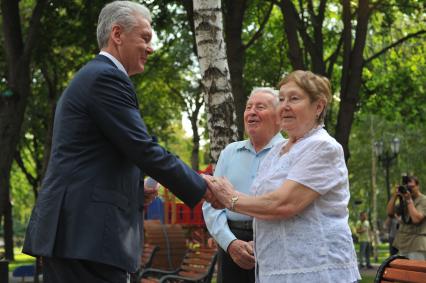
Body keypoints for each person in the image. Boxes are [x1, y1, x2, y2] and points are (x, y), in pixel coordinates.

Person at [22, 2, 218, 283]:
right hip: (85, 237)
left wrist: (137, 189)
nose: (150, 48)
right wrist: (205, 188)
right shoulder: (106, 78)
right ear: (117, 34)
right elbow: (143, 148)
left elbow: (101, 157)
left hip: (79, 235)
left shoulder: (95, 76)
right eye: (145, 38)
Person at [205, 70, 361, 282]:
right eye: (281, 99)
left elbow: (284, 204)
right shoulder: (278, 152)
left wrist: (230, 198)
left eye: (294, 98)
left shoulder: (323, 147)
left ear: (318, 106)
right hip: (275, 268)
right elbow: (262, 203)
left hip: (314, 269)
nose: (284, 106)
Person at [202, 87, 283, 283]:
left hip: (276, 244)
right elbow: (211, 205)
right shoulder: (229, 152)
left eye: (260, 107)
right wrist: (230, 243)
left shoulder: (289, 153)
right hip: (231, 242)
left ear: (278, 117)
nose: (252, 112)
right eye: (248, 107)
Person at [386, 175, 426, 260]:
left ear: (418, 186)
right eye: (407, 187)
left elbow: (416, 219)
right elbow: (390, 213)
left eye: (411, 187)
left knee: (416, 272)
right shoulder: (403, 200)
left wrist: (409, 200)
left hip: (417, 245)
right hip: (402, 244)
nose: (409, 190)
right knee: (403, 272)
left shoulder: (423, 200)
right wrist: (395, 196)